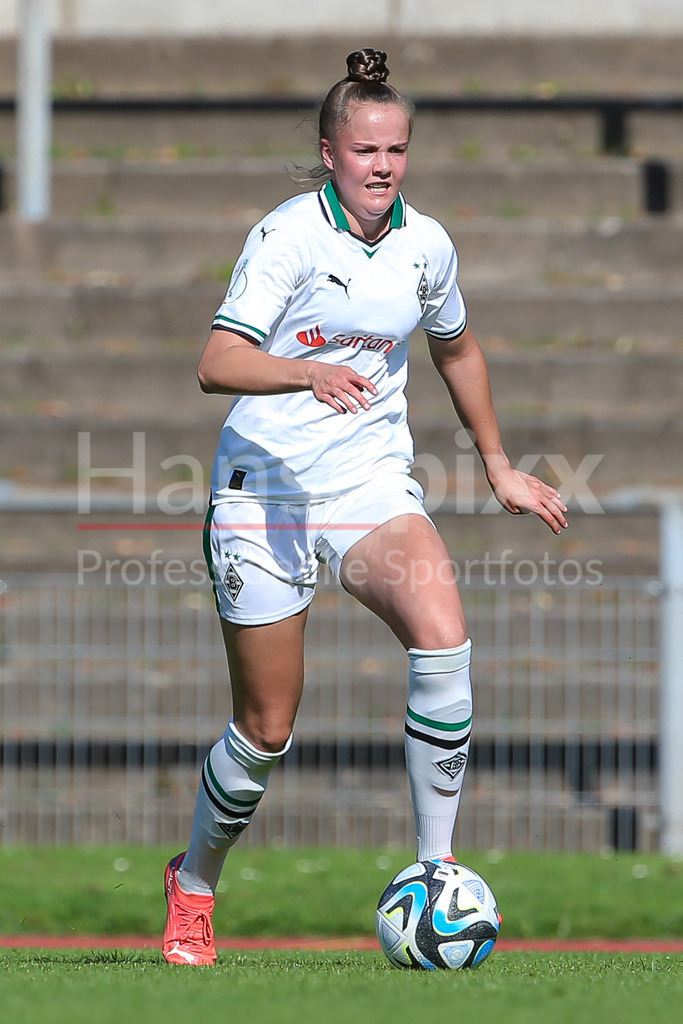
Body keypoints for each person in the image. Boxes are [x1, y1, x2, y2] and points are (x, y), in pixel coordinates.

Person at [162, 47, 568, 966]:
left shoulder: (427, 244)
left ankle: (434, 872)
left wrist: (497, 465)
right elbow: (214, 363)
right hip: (261, 493)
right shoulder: (287, 237)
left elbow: (456, 349)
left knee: (443, 633)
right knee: (266, 731)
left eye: (397, 149)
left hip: (366, 488)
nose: (382, 165)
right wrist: (306, 370)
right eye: (364, 150)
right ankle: (193, 884)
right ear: (330, 151)